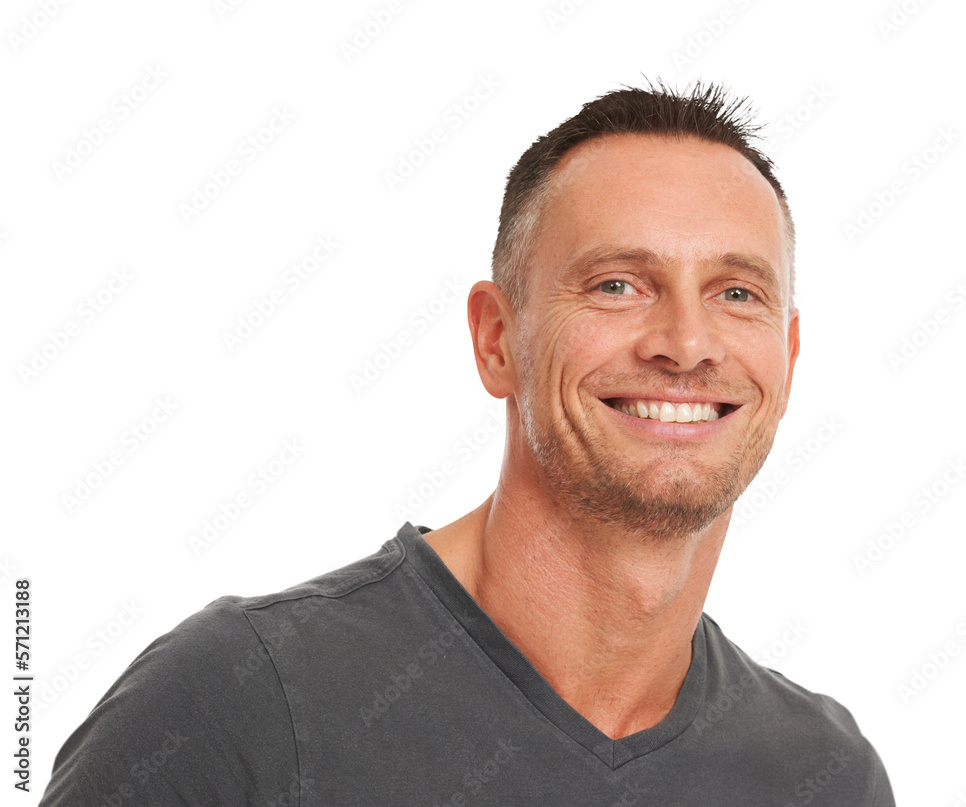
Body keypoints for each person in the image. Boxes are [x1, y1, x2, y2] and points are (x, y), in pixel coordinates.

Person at [40, 80, 894, 806]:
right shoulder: (242, 701)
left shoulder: (821, 773)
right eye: (617, 283)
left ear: (784, 358)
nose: (686, 341)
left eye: (737, 292)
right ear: (496, 339)